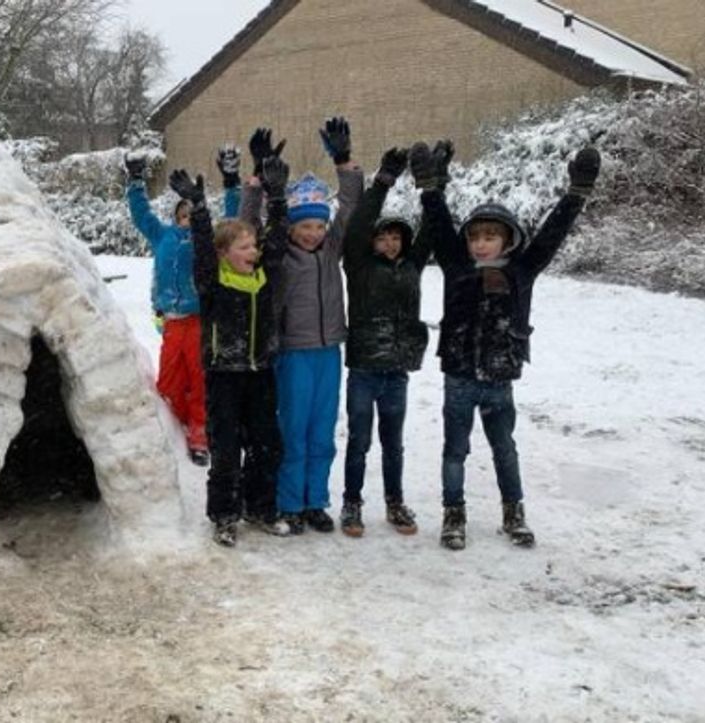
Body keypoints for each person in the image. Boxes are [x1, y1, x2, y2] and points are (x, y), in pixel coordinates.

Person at [412, 140, 600, 550]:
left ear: (508, 239)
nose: (481, 243)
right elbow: (440, 225)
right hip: (459, 377)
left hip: (500, 378)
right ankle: (453, 513)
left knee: (505, 449)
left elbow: (551, 236)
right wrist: (429, 188)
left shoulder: (522, 271)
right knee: (454, 451)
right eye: (475, 236)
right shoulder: (457, 266)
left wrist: (576, 193)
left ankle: (513, 512)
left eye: (490, 236)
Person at [241, 120, 364, 534]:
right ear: (291, 226)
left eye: (319, 225)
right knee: (293, 431)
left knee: (322, 432)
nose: (313, 233)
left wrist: (343, 161)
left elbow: (351, 206)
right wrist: (257, 177)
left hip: (328, 352)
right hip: (293, 352)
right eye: (305, 226)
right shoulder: (277, 253)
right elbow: (247, 225)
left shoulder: (331, 249)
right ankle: (289, 502)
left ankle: (315, 501)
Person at [172, 148, 292, 547]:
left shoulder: (264, 277)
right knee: (226, 451)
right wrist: (199, 210)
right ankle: (224, 514)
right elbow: (203, 250)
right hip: (223, 376)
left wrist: (277, 196)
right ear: (224, 253)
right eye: (244, 247)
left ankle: (260, 507)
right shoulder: (212, 281)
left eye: (253, 246)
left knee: (266, 446)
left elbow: (277, 239)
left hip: (260, 373)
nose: (253, 252)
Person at [124, 145, 244, 465]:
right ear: (177, 217)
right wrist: (135, 181)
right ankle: (175, 428)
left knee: (200, 379)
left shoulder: (209, 240)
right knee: (169, 381)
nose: (188, 220)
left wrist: (232, 182)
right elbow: (141, 215)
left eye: (193, 215)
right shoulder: (162, 236)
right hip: (171, 321)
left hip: (199, 320)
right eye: (183, 215)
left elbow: (233, 219)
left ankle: (200, 435)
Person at [338, 147, 430, 537]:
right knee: (359, 441)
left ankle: (395, 502)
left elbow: (433, 227)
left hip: (396, 372)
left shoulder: (412, 265)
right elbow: (359, 225)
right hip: (364, 369)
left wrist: (433, 184)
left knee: (394, 444)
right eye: (383, 237)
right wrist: (382, 183)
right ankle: (351, 503)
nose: (390, 243)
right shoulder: (359, 266)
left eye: (396, 237)